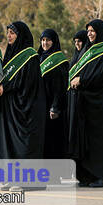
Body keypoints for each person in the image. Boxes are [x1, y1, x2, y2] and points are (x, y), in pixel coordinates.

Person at [68, 19, 103, 187]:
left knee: (102, 143)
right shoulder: (87, 50)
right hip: (89, 104)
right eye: (88, 30)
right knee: (88, 142)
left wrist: (82, 80)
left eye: (93, 30)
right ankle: (89, 175)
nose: (90, 33)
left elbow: (102, 75)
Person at [0, 22, 46, 174]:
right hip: (9, 107)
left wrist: (7, 88)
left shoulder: (30, 56)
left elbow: (28, 82)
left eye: (12, 33)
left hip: (25, 108)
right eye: (8, 32)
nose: (9, 36)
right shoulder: (9, 54)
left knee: (23, 145)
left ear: (20, 35)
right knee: (8, 144)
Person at [39, 28, 68, 159]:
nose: (45, 43)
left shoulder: (59, 60)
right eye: (43, 40)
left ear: (54, 41)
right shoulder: (39, 57)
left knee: (54, 139)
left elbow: (60, 87)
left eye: (48, 40)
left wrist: (55, 107)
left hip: (53, 107)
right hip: (40, 105)